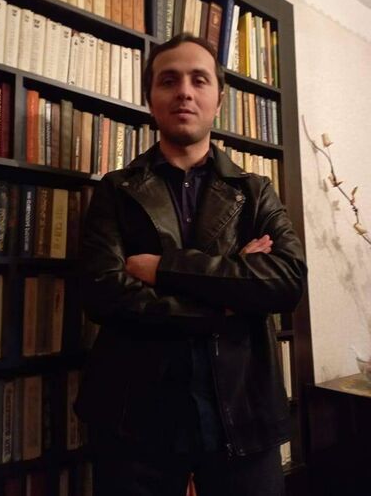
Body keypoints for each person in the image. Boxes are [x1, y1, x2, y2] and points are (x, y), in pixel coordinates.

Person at [74, 32, 307, 496]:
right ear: (150, 99)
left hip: (243, 411)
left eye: (199, 80)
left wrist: (163, 269)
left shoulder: (255, 190)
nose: (184, 91)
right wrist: (227, 298)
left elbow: (285, 282)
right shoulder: (115, 189)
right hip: (133, 414)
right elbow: (103, 293)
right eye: (169, 80)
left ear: (218, 100)